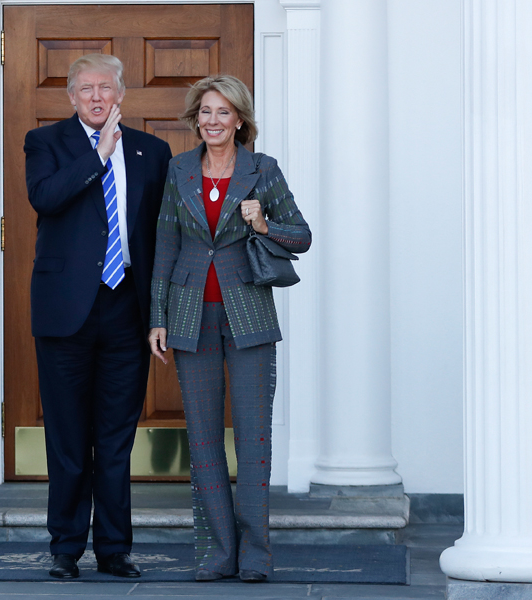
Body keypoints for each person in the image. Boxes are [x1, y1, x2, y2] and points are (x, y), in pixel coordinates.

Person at [148, 75, 311, 583]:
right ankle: (217, 554)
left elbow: (301, 237)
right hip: (191, 315)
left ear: (240, 119)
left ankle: (255, 556)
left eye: (223, 112)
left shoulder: (264, 170)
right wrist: (158, 316)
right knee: (201, 441)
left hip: (250, 319)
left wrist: (263, 224)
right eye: (205, 112)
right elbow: (166, 246)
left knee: (253, 439)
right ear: (196, 118)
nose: (213, 121)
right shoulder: (179, 169)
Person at [24, 54, 172, 580]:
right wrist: (98, 157)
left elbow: (161, 237)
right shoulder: (45, 144)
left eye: (104, 88)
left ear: (120, 95)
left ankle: (114, 549)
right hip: (66, 312)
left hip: (126, 308)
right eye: (85, 89)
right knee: (67, 438)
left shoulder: (153, 152)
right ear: (70, 97)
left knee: (115, 438)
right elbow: (45, 198)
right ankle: (65, 548)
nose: (95, 97)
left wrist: (161, 311)